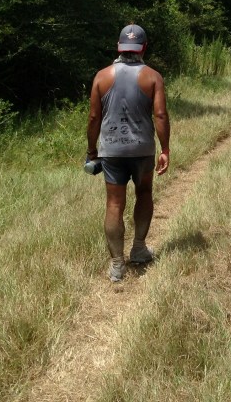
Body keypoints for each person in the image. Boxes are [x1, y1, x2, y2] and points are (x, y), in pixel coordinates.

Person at [86, 24, 170, 283]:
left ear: (119, 47)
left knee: (114, 204)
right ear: (143, 48)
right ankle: (139, 249)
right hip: (142, 150)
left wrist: (92, 150)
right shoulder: (153, 77)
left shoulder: (101, 77)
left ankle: (117, 264)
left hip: (111, 151)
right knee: (144, 194)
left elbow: (93, 117)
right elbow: (160, 115)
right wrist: (165, 148)